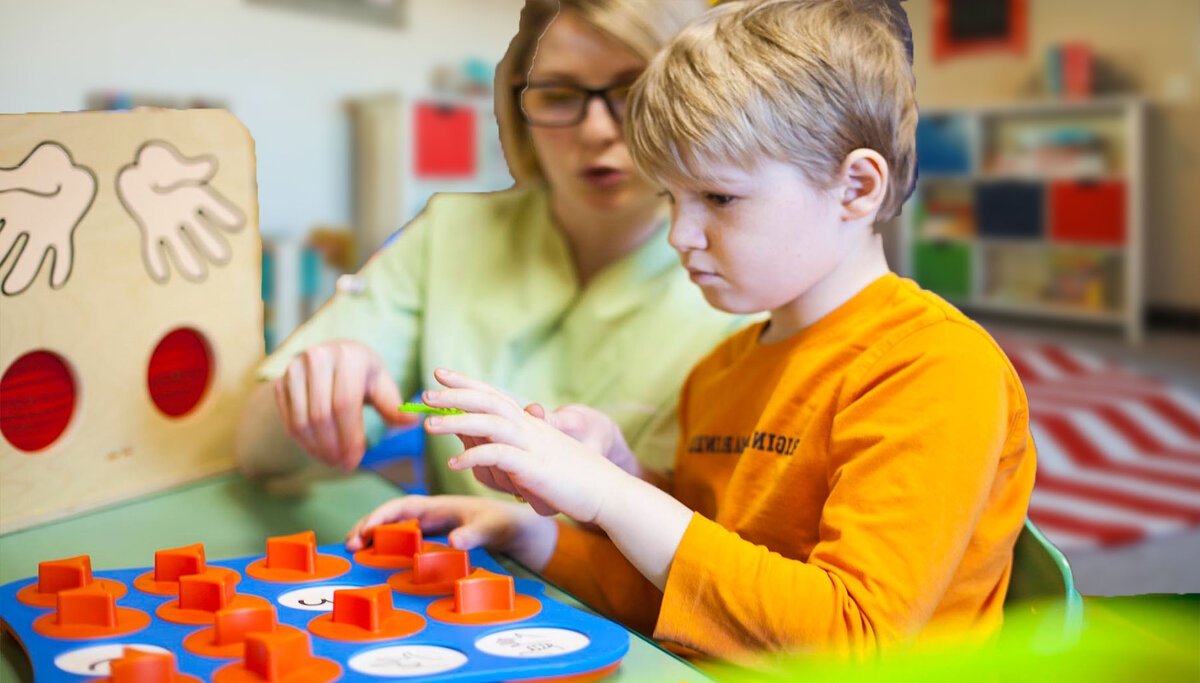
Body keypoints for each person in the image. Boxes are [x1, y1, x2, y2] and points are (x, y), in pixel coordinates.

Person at [347, 0, 1037, 659]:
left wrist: (614, 493)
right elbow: (692, 597)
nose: (681, 234)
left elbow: (853, 640)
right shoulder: (720, 370)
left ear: (856, 188)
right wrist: (537, 528)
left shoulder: (932, 365)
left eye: (718, 197)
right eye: (670, 197)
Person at [234, 0, 741, 498]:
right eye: (558, 95)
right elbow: (255, 451)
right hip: (456, 553)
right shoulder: (451, 235)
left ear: (695, 98)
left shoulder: (751, 276)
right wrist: (309, 392)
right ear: (520, 107)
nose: (595, 131)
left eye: (634, 91)